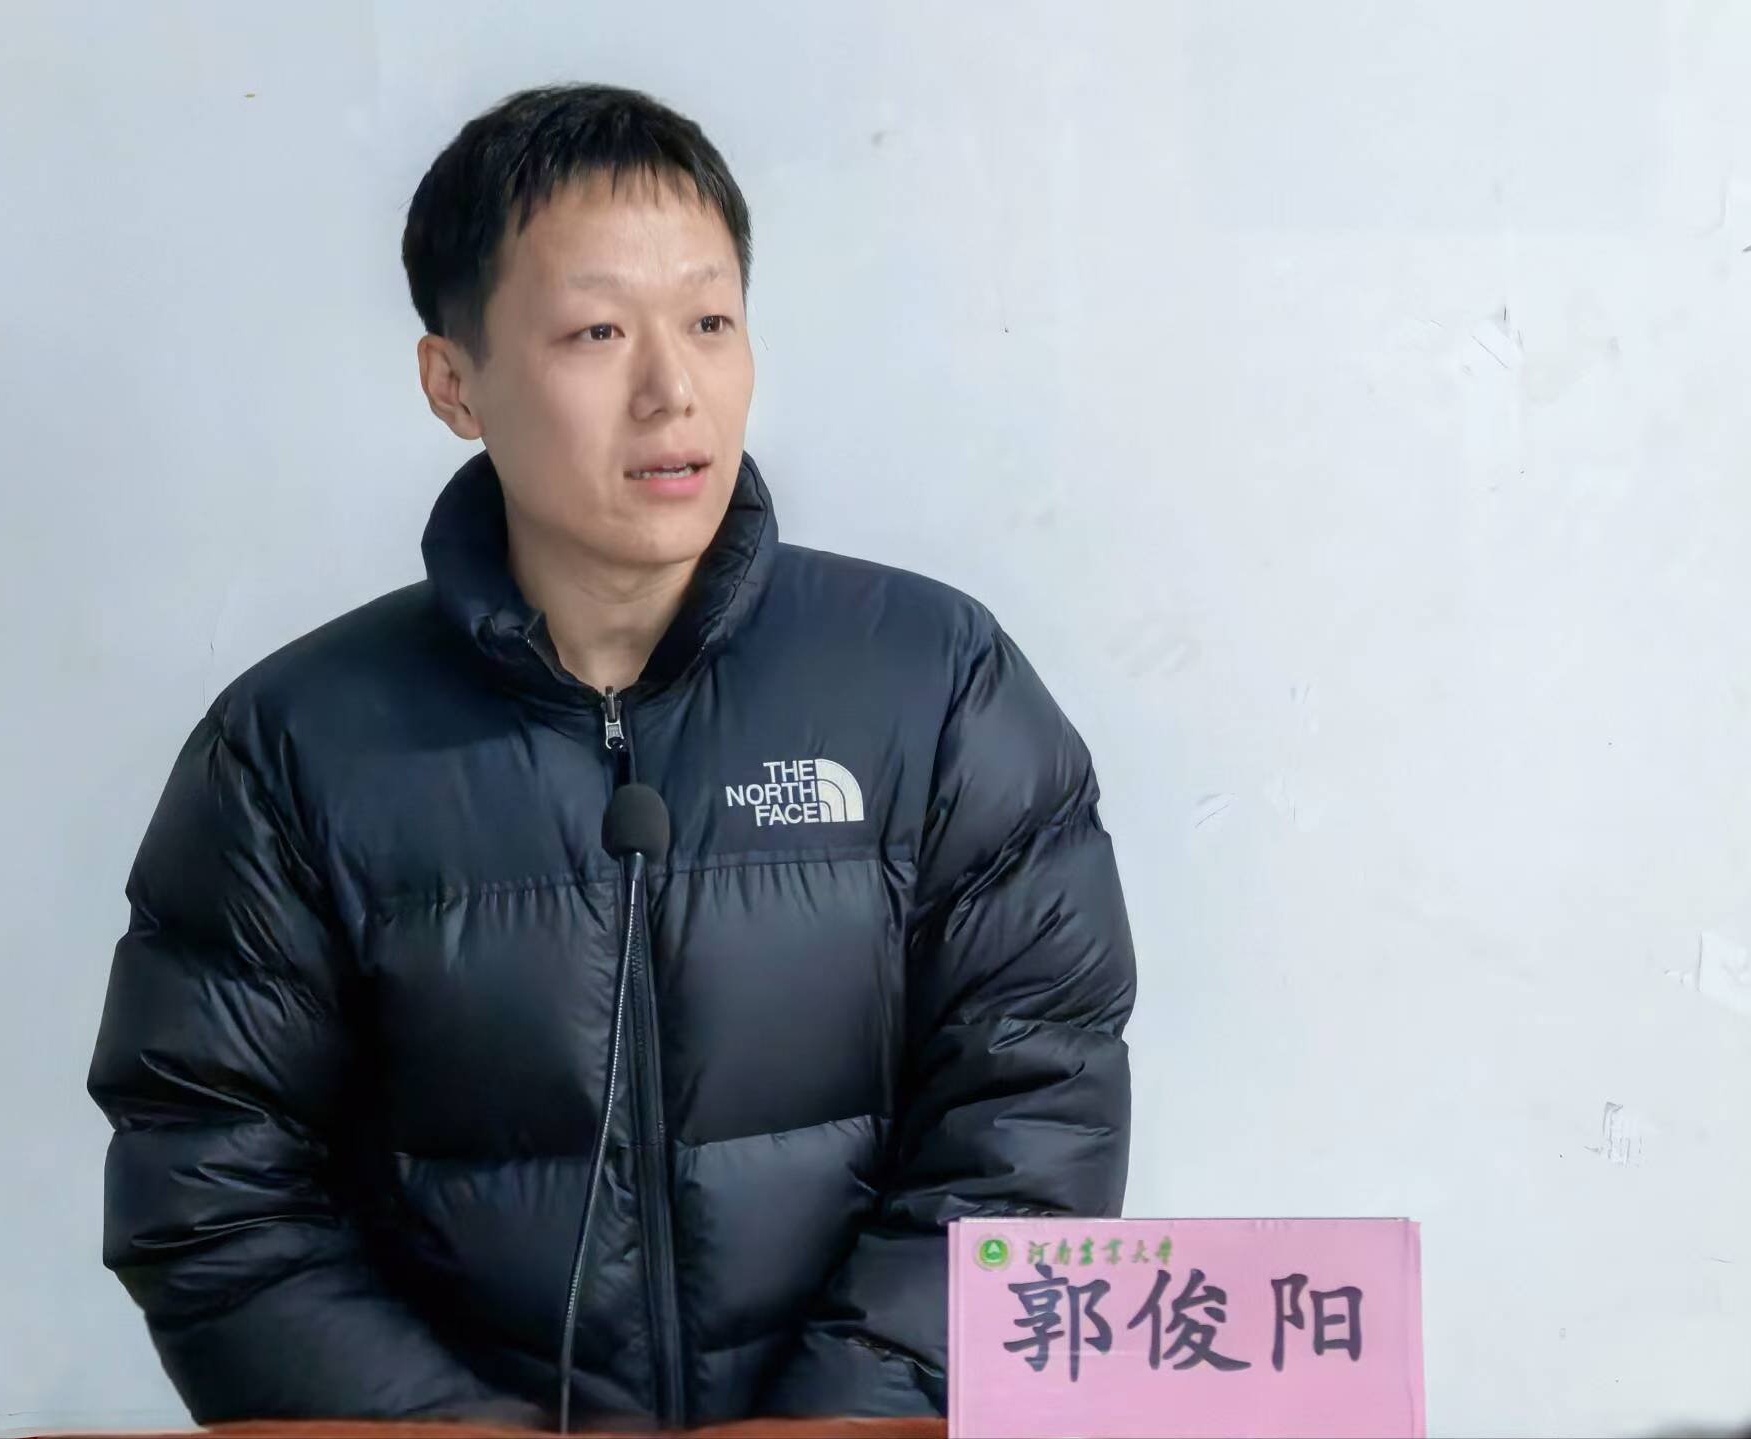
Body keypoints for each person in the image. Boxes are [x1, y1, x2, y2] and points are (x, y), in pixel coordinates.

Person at [86, 81, 1138, 1430]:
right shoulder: (291, 751)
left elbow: (1035, 1118)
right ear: (454, 382)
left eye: (710, 322)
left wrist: (833, 1434)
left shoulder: (937, 686)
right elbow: (212, 1188)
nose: (671, 390)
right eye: (596, 331)